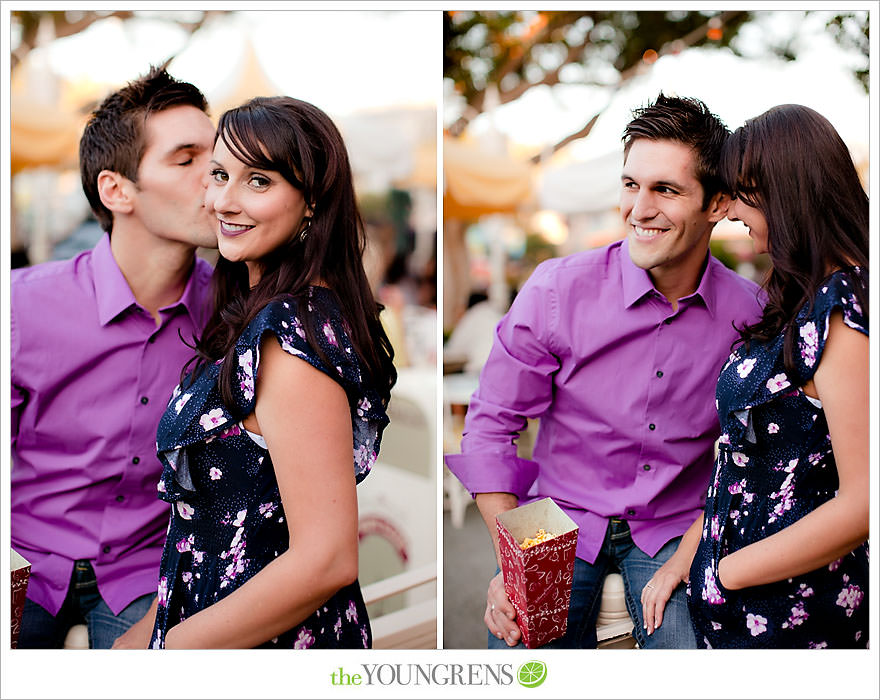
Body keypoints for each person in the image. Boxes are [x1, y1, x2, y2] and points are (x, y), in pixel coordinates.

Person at [445, 94, 764, 649]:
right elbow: (493, 424)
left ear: (717, 204)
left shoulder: (753, 313)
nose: (639, 208)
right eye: (630, 185)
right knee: (522, 659)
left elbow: (753, 449)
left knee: (696, 658)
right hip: (556, 515)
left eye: (665, 189)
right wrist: (512, 557)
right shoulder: (554, 290)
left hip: (677, 523)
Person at [138, 96, 396, 649]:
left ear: (311, 203)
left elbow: (326, 560)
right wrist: (148, 631)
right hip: (216, 625)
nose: (224, 201)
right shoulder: (262, 309)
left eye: (259, 181)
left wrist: (169, 654)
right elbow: (205, 529)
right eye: (219, 174)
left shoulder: (288, 334)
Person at [10, 67, 217, 648]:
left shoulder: (235, 317)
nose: (218, 175)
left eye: (216, 154)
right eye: (186, 159)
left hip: (148, 570)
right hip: (23, 555)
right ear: (116, 190)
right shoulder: (21, 307)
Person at [657, 104, 867, 648]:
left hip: (792, 614)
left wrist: (730, 573)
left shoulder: (843, 309)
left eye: (745, 195)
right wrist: (696, 551)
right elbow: (747, 458)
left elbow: (865, 501)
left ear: (787, 191)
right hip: (744, 605)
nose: (733, 213)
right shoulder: (801, 297)